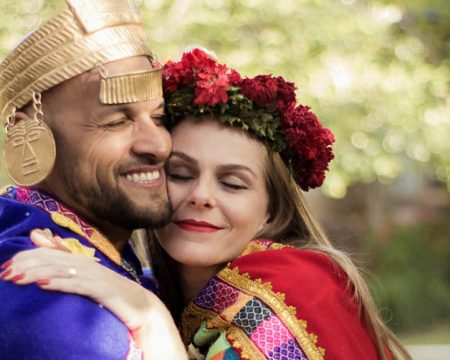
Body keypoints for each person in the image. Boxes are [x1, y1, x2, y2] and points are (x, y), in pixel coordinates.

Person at [1, 49, 411, 359]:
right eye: (179, 174)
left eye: (233, 184)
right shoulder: (150, 279)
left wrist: (150, 317)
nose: (200, 196)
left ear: (272, 210)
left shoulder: (293, 288)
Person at [0, 0, 186, 359]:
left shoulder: (103, 255)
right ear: (32, 135)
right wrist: (153, 321)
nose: (158, 145)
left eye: (160, 118)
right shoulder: (44, 295)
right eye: (116, 122)